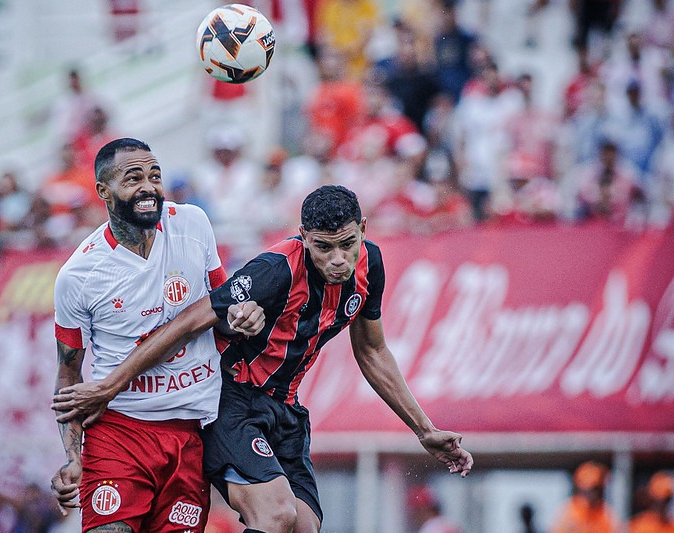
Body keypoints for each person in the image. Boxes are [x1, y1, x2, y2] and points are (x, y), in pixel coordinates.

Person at [52, 184, 474, 533]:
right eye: (324, 248)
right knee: (276, 516)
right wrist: (111, 384)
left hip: (286, 411)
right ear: (304, 237)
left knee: (304, 527)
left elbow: (372, 350)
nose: (338, 259)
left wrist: (424, 430)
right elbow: (186, 322)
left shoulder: (371, 264)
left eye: (347, 244)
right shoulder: (274, 271)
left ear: (362, 230)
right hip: (232, 402)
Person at [49, 137, 265, 533]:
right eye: (133, 178)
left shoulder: (193, 224)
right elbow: (69, 374)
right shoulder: (78, 276)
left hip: (188, 432)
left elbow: (220, 311)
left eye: (155, 175)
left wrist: (241, 318)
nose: (148, 187)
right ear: (104, 192)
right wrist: (72, 457)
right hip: (119, 432)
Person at [551, 460, 622, 533]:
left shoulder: (607, 513)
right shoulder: (567, 512)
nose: (593, 493)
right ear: (579, 487)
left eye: (597, 488)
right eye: (589, 489)